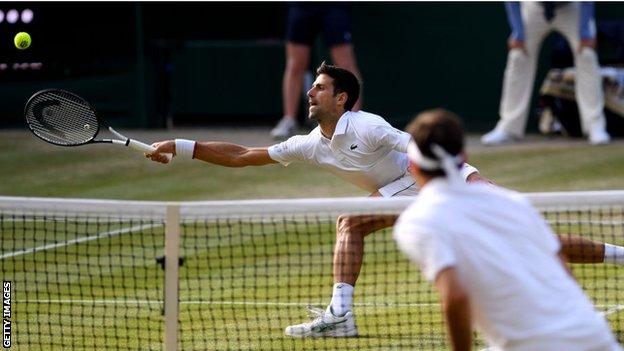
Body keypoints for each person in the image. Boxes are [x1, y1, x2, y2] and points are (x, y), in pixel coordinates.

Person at [146, 63, 624, 338]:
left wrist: (470, 184)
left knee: (533, 241)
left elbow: (418, 148)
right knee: (352, 222)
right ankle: (341, 315)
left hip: (440, 183)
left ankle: (340, 316)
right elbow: (244, 155)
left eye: (320, 87)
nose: (311, 92)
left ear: (343, 99)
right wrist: (184, 147)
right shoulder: (309, 142)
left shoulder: (368, 125)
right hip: (417, 191)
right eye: (312, 86)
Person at [394, 109, 622, 351]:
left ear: (413, 166)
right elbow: (561, 268)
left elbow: (455, 296)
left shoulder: (416, 222)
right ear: (464, 156)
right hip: (593, 335)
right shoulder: (511, 201)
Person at [482, 2, 610, 145]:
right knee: (518, 56)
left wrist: (585, 32)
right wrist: (518, 33)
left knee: (587, 55)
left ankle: (595, 126)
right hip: (534, 7)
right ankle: (509, 128)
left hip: (572, 8)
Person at [270, 3, 362, 139]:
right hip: (302, 6)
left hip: (334, 7)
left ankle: (355, 120)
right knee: (295, 64)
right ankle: (289, 119)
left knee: (346, 64)